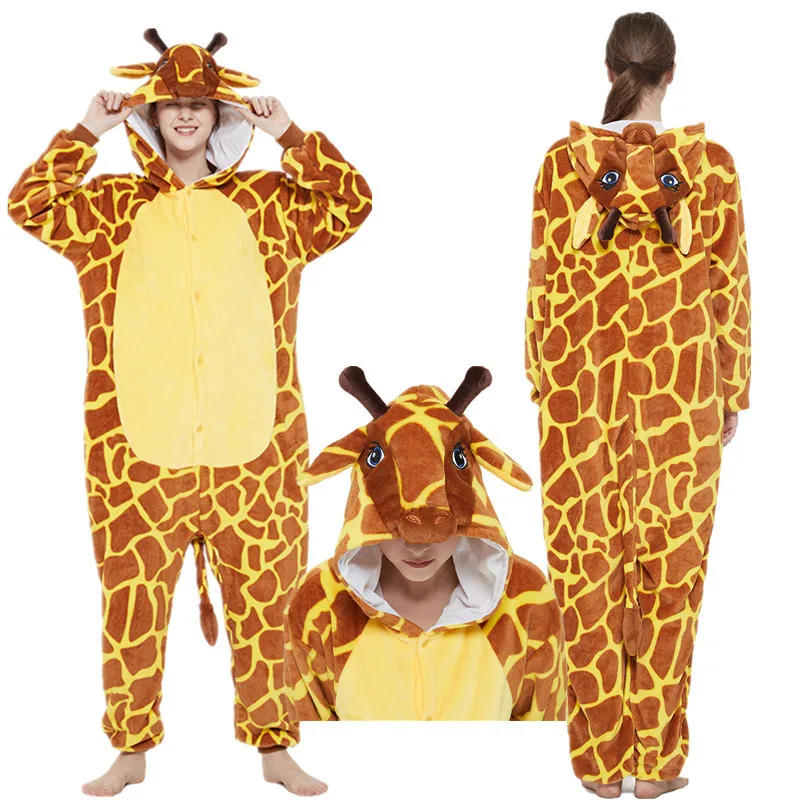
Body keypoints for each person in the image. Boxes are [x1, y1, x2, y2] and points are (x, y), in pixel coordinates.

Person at [7, 29, 371, 797]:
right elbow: (28, 203)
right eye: (171, 104)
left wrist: (290, 135)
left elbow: (354, 201)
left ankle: (275, 748)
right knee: (130, 605)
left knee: (269, 605)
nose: (184, 114)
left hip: (258, 452)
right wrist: (88, 129)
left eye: (199, 103)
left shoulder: (272, 205)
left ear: (219, 113)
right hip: (136, 456)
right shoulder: (109, 208)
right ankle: (130, 750)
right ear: (150, 113)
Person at [523, 12, 750, 800]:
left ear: (609, 69)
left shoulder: (561, 167)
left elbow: (541, 287)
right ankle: (654, 763)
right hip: (679, 402)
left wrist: (544, 383)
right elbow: (729, 286)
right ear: (670, 74)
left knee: (586, 576)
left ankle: (598, 764)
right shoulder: (710, 169)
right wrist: (732, 389)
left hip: (579, 402)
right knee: (670, 577)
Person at [285, 366, 567, 722]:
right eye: (397, 531)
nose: (418, 548)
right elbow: (308, 738)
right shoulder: (320, 605)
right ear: (369, 510)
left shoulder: (526, 600)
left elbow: (545, 737)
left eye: (440, 529)